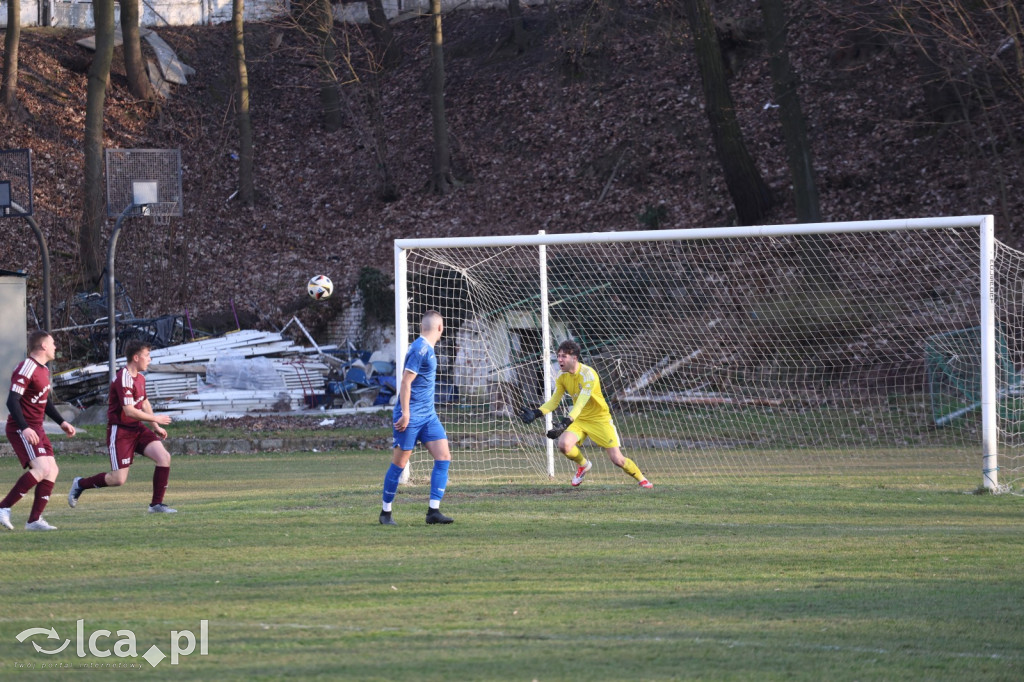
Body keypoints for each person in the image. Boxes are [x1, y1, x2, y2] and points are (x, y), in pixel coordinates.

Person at [520, 340, 652, 489]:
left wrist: (565, 423)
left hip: (599, 419)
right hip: (579, 420)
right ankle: (583, 465)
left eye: (564, 356)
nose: (560, 360)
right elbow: (554, 401)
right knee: (564, 445)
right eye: (558, 356)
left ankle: (643, 479)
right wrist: (536, 413)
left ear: (574, 358)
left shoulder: (589, 375)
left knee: (617, 459)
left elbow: (581, 402)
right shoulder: (562, 377)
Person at [67, 339, 176, 514]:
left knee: (164, 457)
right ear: (136, 357)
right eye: (147, 356)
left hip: (137, 429)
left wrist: (155, 425)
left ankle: (156, 504)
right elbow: (129, 410)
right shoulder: (123, 378)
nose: (149, 359)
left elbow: (144, 402)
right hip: (121, 432)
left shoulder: (140, 377)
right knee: (118, 479)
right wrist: (155, 417)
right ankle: (80, 484)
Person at [379, 310, 454, 526]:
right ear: (440, 328)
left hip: (428, 417)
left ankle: (433, 511)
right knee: (399, 464)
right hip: (410, 417)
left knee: (444, 457)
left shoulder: (427, 349)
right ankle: (385, 512)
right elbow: (405, 382)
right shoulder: (420, 349)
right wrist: (406, 413)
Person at [0, 331, 77, 531]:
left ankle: (34, 520)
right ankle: (3, 507)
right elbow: (12, 401)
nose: (55, 347)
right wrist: (24, 428)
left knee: (52, 471)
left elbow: (45, 401)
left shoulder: (42, 370)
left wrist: (61, 422)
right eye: (52, 344)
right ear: (42, 346)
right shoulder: (27, 367)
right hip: (21, 427)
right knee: (42, 469)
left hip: (37, 427)